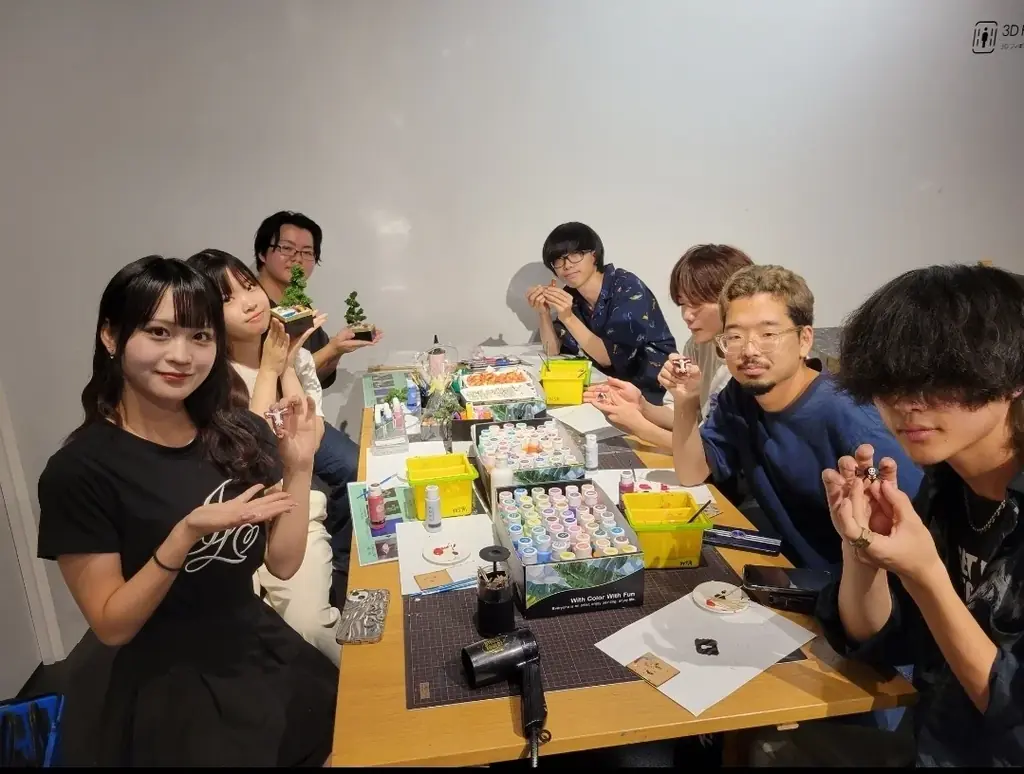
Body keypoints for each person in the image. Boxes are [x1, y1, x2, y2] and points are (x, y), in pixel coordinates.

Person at [35, 256, 337, 766]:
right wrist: (184, 536)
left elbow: (283, 563)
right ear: (111, 336)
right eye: (158, 332)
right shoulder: (79, 472)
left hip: (256, 651)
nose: (181, 355)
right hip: (163, 690)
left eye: (200, 336)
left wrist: (299, 465)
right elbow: (112, 625)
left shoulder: (238, 434)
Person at [816, 265, 1024, 766]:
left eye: (940, 379)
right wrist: (861, 546)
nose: (907, 404)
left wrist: (925, 574)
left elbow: (1015, 720)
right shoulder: (948, 483)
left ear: (1013, 379)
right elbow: (882, 642)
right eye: (890, 382)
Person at [663, 264, 923, 569]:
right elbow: (691, 473)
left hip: (855, 580)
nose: (749, 350)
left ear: (804, 340)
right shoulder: (741, 394)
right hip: (790, 567)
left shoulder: (848, 415)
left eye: (768, 334)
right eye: (734, 336)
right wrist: (686, 401)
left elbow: (916, 527)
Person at [188, 249, 342, 665]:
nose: (250, 302)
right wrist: (271, 370)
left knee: (310, 627)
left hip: (292, 510)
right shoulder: (206, 377)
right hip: (236, 527)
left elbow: (310, 435)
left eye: (249, 286)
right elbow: (251, 456)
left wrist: (285, 364)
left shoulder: (285, 355)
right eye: (227, 298)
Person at [254, 210, 381, 584]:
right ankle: (342, 567)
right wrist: (332, 349)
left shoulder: (299, 306)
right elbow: (276, 375)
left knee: (361, 462)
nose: (297, 259)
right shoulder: (256, 313)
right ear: (263, 252)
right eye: (286, 248)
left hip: (304, 415)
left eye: (307, 253)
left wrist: (338, 348)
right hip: (271, 423)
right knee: (353, 467)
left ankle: (345, 559)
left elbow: (315, 377)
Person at [581, 244, 752, 449]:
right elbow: (691, 420)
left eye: (697, 304)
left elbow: (712, 452)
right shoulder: (698, 346)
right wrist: (641, 405)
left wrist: (640, 427)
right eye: (683, 304)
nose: (687, 315)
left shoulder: (748, 365)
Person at [526, 222, 677, 404]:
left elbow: (607, 358)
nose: (567, 265)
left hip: (653, 392)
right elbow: (552, 351)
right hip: (606, 389)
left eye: (575, 254)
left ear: (594, 255)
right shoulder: (572, 296)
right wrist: (543, 313)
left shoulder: (627, 287)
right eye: (558, 260)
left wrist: (568, 317)